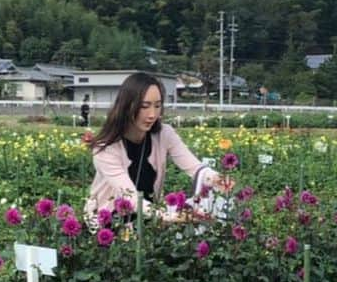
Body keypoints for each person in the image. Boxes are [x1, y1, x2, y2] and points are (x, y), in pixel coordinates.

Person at [85, 72, 230, 225]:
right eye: (144, 106)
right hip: (108, 224)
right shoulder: (106, 148)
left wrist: (217, 179)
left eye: (158, 106)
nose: (152, 114)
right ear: (126, 106)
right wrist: (169, 216)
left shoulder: (164, 134)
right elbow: (130, 198)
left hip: (149, 221)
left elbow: (195, 168)